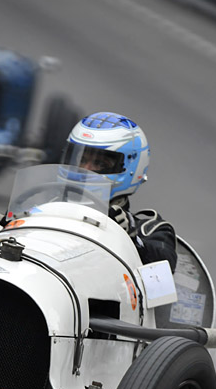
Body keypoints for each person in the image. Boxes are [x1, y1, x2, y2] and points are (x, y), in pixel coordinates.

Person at [60, 112, 178, 271]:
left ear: (130, 168)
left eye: (99, 163)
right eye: (82, 160)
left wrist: (130, 238)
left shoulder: (148, 229)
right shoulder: (45, 209)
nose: (85, 170)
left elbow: (164, 265)